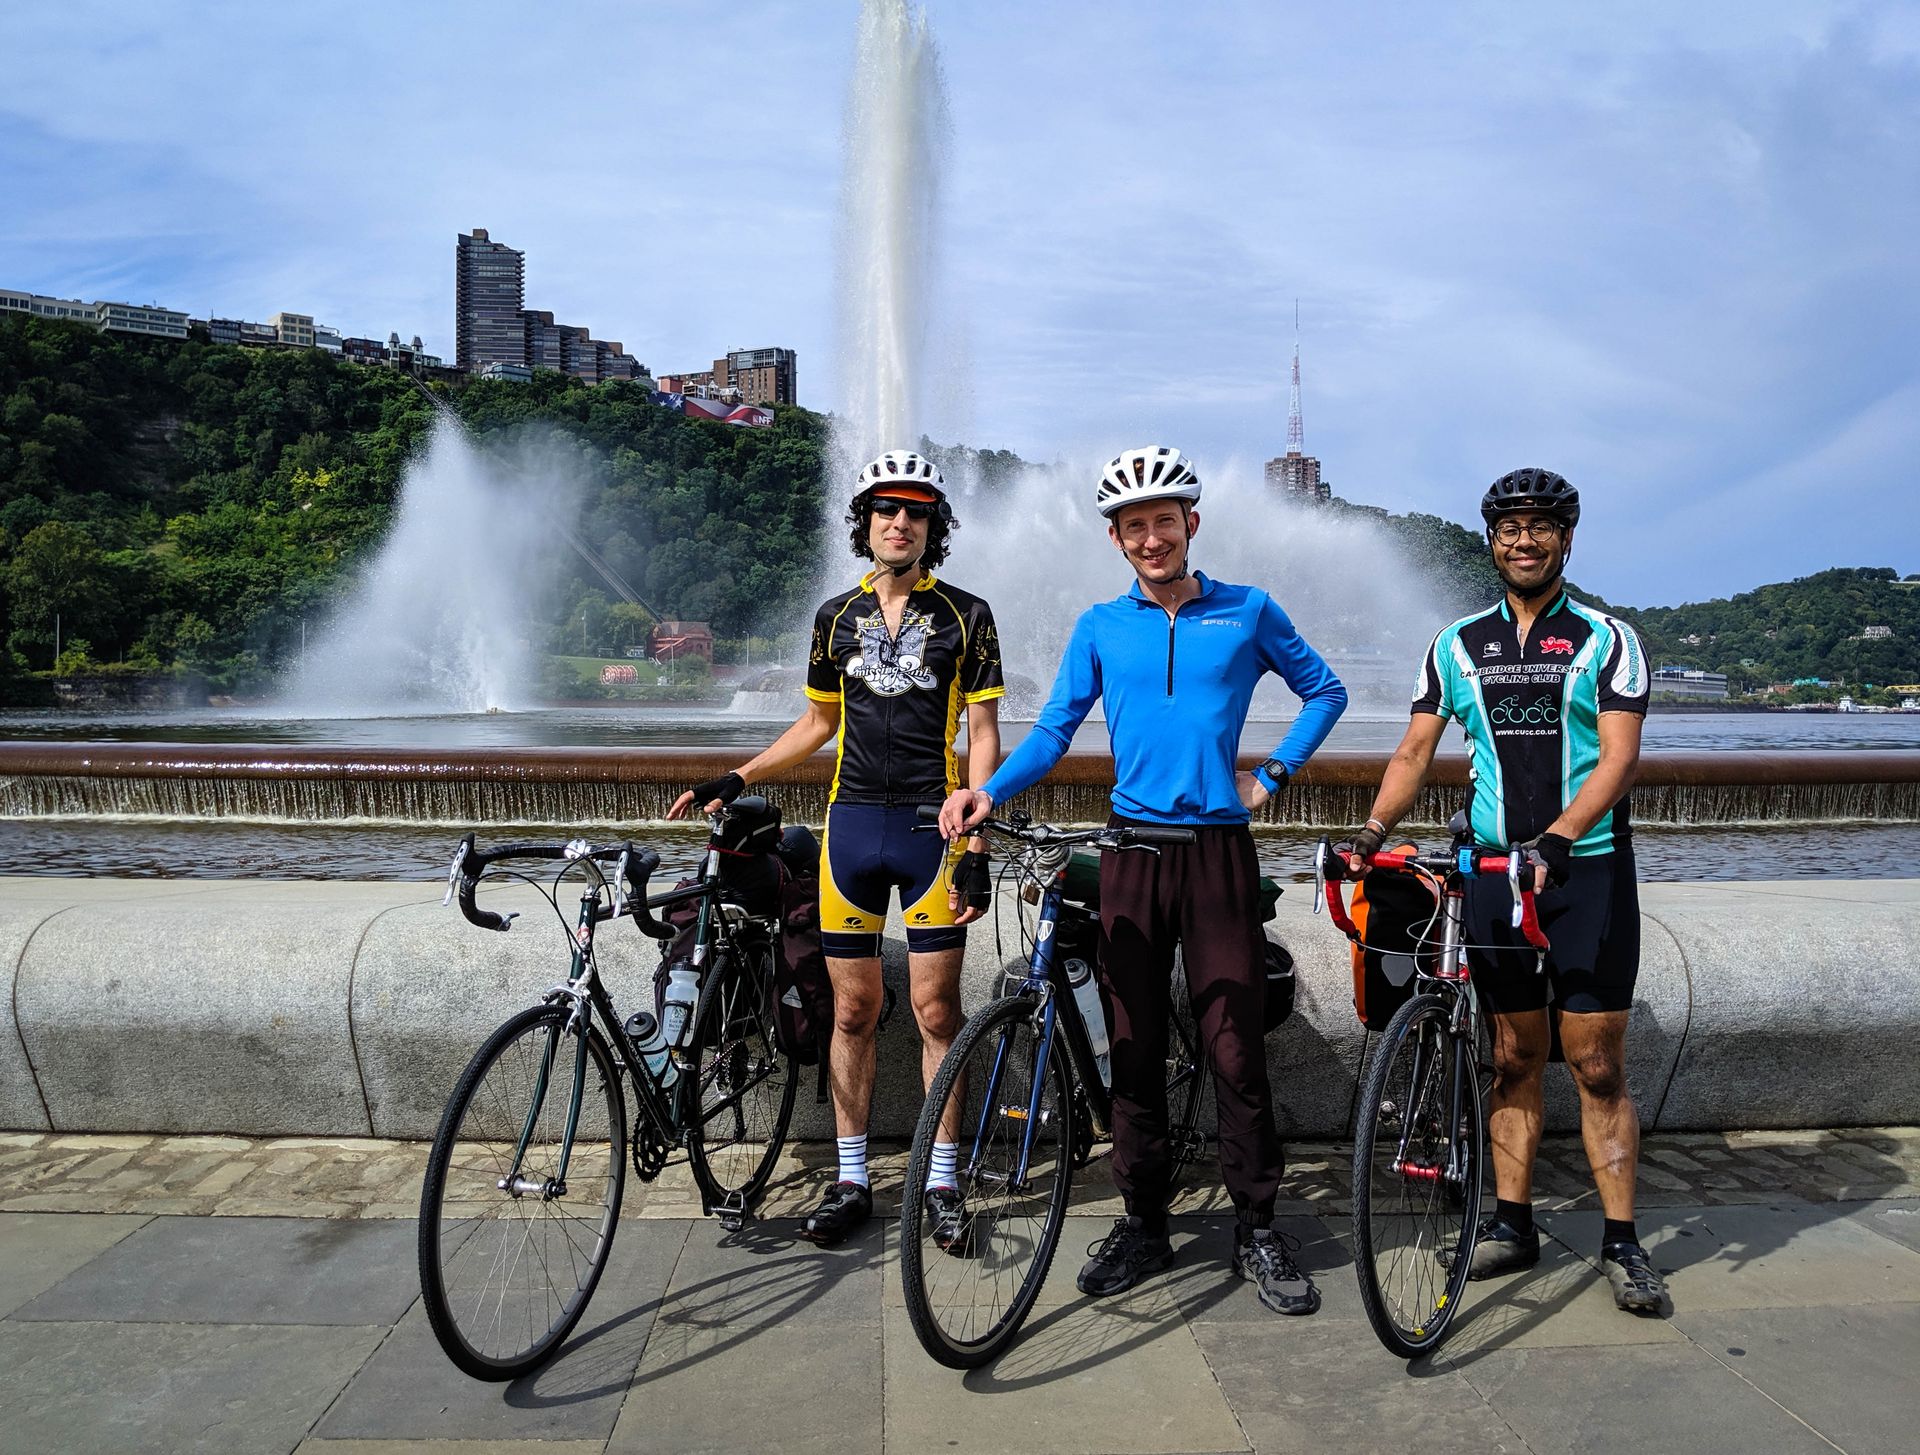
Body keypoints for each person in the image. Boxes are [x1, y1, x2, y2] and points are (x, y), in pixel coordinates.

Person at [940, 445, 1347, 1315]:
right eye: (1135, 526)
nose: (1152, 536)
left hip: (1217, 854)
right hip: (1129, 853)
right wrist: (986, 790)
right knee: (1130, 1048)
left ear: (1191, 525)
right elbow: (1053, 732)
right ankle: (1144, 1222)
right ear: (1117, 539)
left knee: (1234, 1046)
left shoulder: (1247, 611)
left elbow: (1325, 691)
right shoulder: (1100, 624)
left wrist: (1270, 775)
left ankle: (1259, 1226)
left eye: (1166, 520)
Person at [1341, 467, 1665, 1312]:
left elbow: (1622, 758)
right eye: (1509, 528)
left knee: (1596, 1063)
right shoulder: (1456, 643)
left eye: (1540, 527)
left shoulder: (1607, 637)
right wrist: (1369, 836)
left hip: (1583, 871)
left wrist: (1558, 837)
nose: (1524, 540)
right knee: (1515, 1054)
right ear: (1491, 540)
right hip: (1491, 874)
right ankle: (1512, 1223)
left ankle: (1623, 1242)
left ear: (1566, 537)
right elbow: (1415, 751)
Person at [671, 449, 1003, 1248]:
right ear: (865, 524)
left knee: (935, 1010)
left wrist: (980, 827)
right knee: (851, 1009)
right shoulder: (834, 616)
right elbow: (817, 725)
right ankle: (852, 1178)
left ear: (933, 527)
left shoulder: (968, 613)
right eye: (885, 510)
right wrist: (736, 773)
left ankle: (943, 1181)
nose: (900, 522)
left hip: (934, 829)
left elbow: (985, 731)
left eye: (916, 511)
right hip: (850, 827)